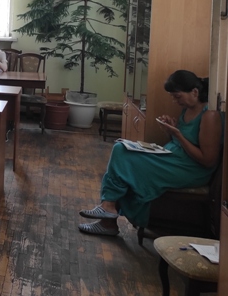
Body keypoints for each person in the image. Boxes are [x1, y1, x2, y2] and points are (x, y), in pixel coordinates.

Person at [78, 70, 223, 237]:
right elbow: (182, 142)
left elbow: (208, 160)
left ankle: (108, 215)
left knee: (124, 161)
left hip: (190, 169)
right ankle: (108, 212)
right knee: (121, 149)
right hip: (174, 158)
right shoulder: (188, 108)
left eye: (177, 96)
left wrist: (177, 135)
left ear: (195, 92)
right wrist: (170, 131)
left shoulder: (210, 116)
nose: (175, 101)